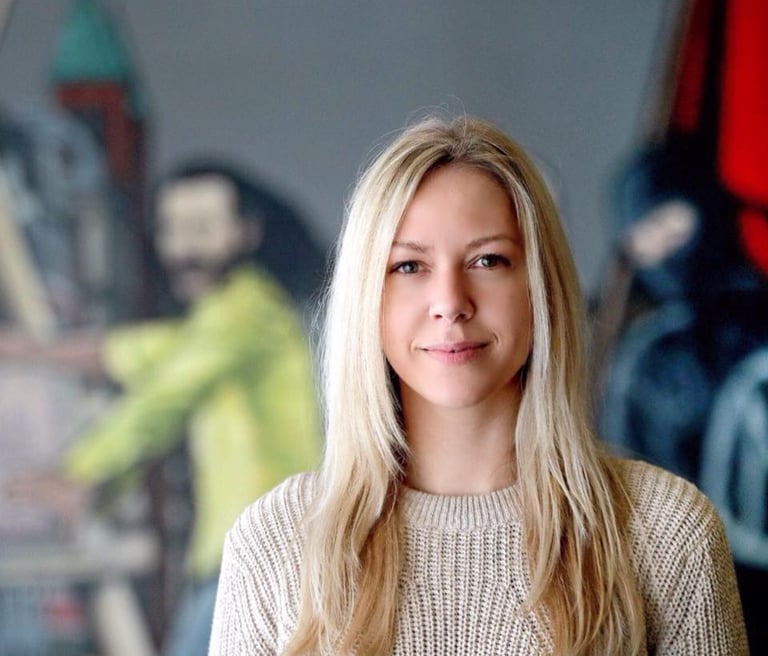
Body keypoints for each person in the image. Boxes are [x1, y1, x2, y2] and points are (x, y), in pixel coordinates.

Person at [207, 115, 747, 655]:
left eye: (488, 260)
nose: (451, 302)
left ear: (541, 287)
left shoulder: (665, 532)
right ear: (366, 296)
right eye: (409, 266)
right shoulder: (276, 542)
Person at [4, 163, 322, 656]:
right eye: (170, 231)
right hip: (248, 551)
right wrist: (33, 351)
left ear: (246, 231)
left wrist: (81, 474)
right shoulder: (226, 321)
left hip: (264, 551)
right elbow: (140, 351)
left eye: (200, 229)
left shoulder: (247, 313)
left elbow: (166, 395)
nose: (181, 251)